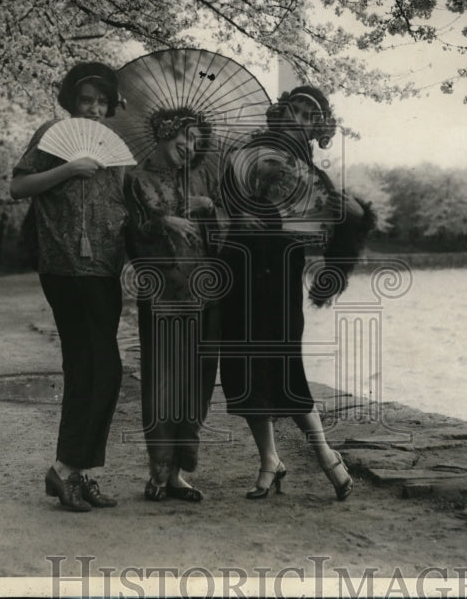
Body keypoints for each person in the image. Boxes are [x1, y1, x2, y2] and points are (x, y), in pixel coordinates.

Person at [218, 85, 373, 500]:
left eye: (309, 117)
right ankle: (269, 459)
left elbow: (332, 230)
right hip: (238, 271)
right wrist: (237, 218)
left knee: (283, 365)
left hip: (280, 275)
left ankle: (325, 453)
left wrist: (352, 213)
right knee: (244, 367)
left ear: (315, 130)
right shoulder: (244, 154)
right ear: (280, 114)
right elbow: (220, 204)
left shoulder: (314, 176)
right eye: (296, 111)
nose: (300, 121)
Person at [10, 62, 128, 512]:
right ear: (71, 102)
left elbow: (122, 207)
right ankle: (64, 470)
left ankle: (81, 474)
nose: (95, 109)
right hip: (64, 268)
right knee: (101, 368)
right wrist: (68, 169)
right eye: (86, 100)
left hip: (105, 270)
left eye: (102, 101)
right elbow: (18, 186)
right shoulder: (52, 134)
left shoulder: (114, 151)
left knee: (90, 371)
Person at [124, 107, 223, 502]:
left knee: (197, 380)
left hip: (204, 291)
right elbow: (128, 234)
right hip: (162, 292)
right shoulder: (135, 180)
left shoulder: (198, 178)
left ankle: (179, 473)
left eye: (197, 140)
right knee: (164, 381)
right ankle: (158, 471)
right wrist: (161, 222)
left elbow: (218, 238)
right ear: (165, 133)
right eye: (185, 137)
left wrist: (209, 209)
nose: (190, 145)